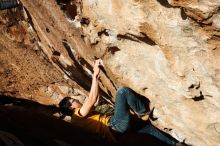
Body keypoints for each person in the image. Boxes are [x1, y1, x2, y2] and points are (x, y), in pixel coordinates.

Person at [59, 59, 185, 146]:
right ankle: (143, 112)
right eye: (73, 100)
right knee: (122, 92)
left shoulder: (81, 119)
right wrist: (94, 74)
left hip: (117, 132)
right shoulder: (77, 115)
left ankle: (173, 144)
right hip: (114, 125)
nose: (76, 100)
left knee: (144, 126)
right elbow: (91, 99)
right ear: (70, 107)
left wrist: (97, 77)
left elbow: (95, 100)